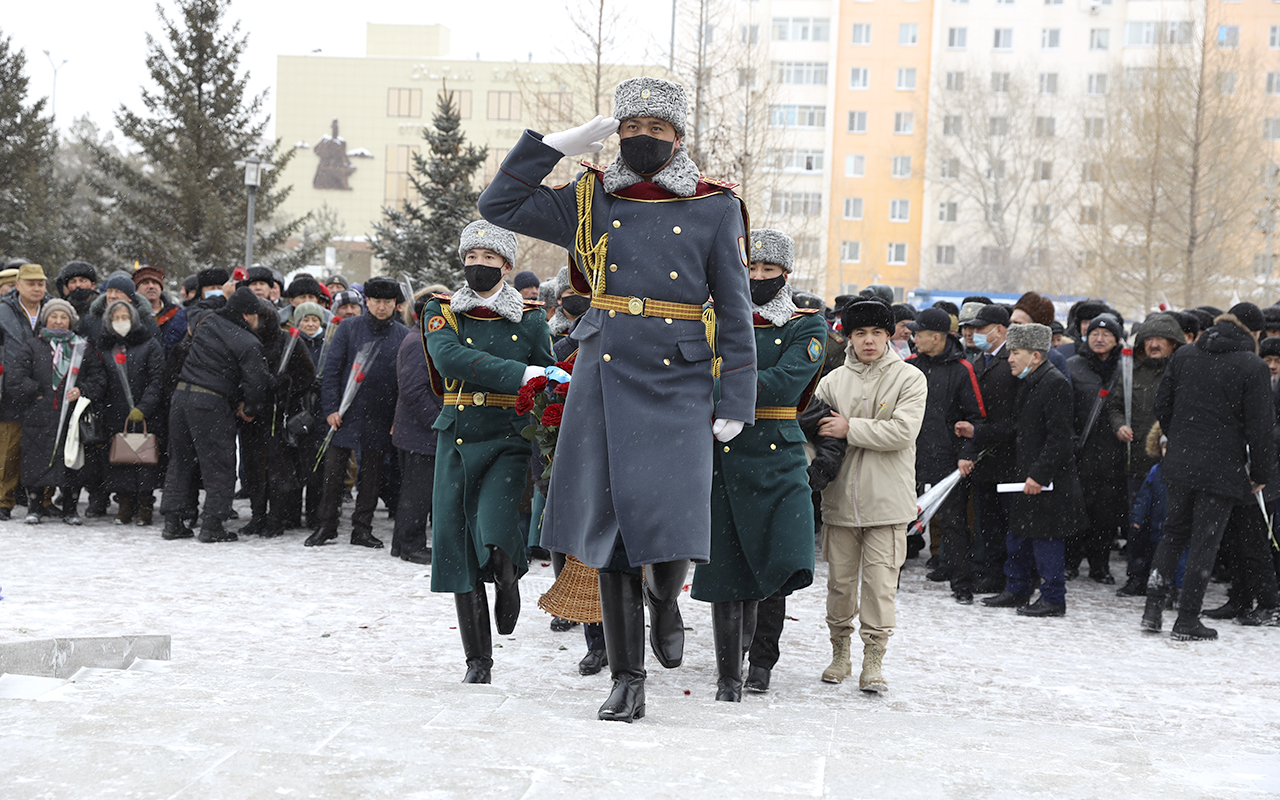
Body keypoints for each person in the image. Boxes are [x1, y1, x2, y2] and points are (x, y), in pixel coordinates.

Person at [478, 76, 757, 722]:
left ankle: (665, 597)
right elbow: (500, 206)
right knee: (608, 536)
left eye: (655, 131)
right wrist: (546, 146)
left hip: (679, 379)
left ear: (679, 137)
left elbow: (736, 312)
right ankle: (627, 681)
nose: (641, 141)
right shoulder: (590, 196)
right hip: (605, 373)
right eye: (630, 130)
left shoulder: (715, 207)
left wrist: (735, 396)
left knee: (670, 528)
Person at [690, 228, 823, 701]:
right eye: (752, 269)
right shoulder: (717, 318)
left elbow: (788, 382)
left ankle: (762, 658)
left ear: (786, 274)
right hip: (721, 455)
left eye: (769, 270)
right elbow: (691, 370)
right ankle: (730, 669)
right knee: (726, 565)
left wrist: (721, 389)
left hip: (775, 452)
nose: (759, 277)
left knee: (777, 557)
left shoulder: (805, 324)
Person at [422, 222, 554, 681]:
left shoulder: (532, 317)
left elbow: (549, 376)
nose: (478, 266)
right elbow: (449, 359)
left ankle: (508, 576)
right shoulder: (441, 312)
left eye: (488, 258)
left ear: (506, 265)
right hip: (457, 435)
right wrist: (519, 374)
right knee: (458, 547)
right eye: (471, 257)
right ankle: (478, 660)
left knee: (496, 533)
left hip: (508, 437)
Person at [1143, 307, 1277, 640]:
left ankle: (1152, 609)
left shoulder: (1186, 354)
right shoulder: (1252, 365)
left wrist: (1181, 440)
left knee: (1173, 534)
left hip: (1180, 462)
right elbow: (1261, 428)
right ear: (1254, 333)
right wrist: (1262, 471)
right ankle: (1187, 619)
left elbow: (1162, 405)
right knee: (1205, 542)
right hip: (1222, 467)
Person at [814, 297, 926, 693]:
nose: (869, 341)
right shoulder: (830, 382)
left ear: (889, 335)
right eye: (860, 333)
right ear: (849, 336)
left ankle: (873, 659)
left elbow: (902, 432)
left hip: (888, 503)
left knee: (880, 586)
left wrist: (850, 429)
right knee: (841, 585)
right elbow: (816, 434)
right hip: (840, 500)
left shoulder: (909, 378)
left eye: (877, 333)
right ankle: (839, 653)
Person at [981, 323, 1083, 617]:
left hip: (1045, 481)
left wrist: (1039, 475)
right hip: (1026, 476)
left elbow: (1059, 438)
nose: (1010, 358)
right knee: (1019, 534)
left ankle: (1053, 598)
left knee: (1046, 539)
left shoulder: (1054, 383)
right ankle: (1017, 588)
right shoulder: (1030, 381)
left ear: (1035, 356)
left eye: (1016, 352)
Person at [160, 287, 271, 542]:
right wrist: (251, 409)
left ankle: (173, 522)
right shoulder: (248, 342)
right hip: (211, 402)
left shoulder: (207, 321)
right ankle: (212, 525)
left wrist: (223, 295)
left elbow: (195, 308)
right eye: (256, 316)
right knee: (219, 464)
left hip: (181, 397)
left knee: (179, 461)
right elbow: (256, 385)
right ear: (247, 315)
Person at [306, 276, 410, 548]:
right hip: (345, 412)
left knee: (372, 477)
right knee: (333, 473)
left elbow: (404, 382)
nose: (381, 307)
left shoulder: (402, 334)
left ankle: (362, 528)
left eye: (387, 302)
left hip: (381, 414)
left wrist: (396, 419)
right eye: (376, 301)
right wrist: (330, 409)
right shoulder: (349, 328)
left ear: (395, 304)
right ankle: (326, 525)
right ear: (367, 301)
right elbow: (331, 371)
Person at [904, 307, 985, 604]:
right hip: (908, 458)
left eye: (919, 333)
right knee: (898, 521)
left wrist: (966, 454)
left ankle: (961, 584)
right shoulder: (908, 365)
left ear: (936, 337)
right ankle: (889, 581)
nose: (914, 338)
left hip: (947, 460)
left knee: (954, 525)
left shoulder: (963, 369)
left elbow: (975, 417)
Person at [11, 299, 107, 524]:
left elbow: (99, 378)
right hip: (40, 414)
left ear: (71, 321)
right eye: (54, 316)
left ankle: (70, 509)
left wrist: (82, 389)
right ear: (46, 319)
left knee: (71, 461)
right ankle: (35, 507)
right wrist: (37, 392)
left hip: (72, 416)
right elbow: (16, 378)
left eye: (64, 317)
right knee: (36, 460)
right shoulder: (33, 346)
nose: (59, 321)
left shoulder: (82, 348)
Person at [1109, 312, 1183, 595]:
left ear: (1173, 343)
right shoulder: (1131, 372)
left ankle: (1163, 579)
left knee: (1167, 525)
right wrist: (1119, 426)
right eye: (1149, 339)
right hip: (1136, 462)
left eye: (1160, 339)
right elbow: (1114, 406)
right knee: (1137, 523)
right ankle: (1137, 576)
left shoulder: (1181, 371)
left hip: (1170, 463)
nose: (1154, 344)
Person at [239, 295, 316, 539]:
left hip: (279, 416)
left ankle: (276, 518)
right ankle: (257, 515)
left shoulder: (288, 340)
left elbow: (307, 376)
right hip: (253, 416)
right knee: (253, 469)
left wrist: (285, 387)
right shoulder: (246, 341)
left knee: (278, 472)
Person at [956, 303, 1018, 593]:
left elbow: (1014, 420)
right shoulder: (980, 360)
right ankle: (991, 573)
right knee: (988, 521)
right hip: (984, 458)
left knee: (1007, 523)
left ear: (1000, 330)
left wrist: (979, 431)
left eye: (981, 329)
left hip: (1008, 457)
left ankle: (1008, 576)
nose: (975, 334)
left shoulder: (1012, 361)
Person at [1066, 313, 1127, 584]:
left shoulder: (1126, 368)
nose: (1099, 339)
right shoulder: (1072, 366)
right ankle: (1070, 562)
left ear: (1117, 340)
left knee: (1106, 515)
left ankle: (1099, 565)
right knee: (1076, 510)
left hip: (1113, 454)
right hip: (1081, 452)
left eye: (1106, 335)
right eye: (1094, 334)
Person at [390, 289, 443, 565]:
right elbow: (413, 390)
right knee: (417, 494)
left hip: (419, 432)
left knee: (415, 492)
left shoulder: (424, 338)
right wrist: (438, 421)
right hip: (420, 433)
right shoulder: (416, 343)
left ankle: (402, 543)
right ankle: (410, 545)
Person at [0, 263, 51, 519]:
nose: (36, 288)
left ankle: (44, 499)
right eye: (30, 283)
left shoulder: (54, 310)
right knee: (9, 450)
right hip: (11, 389)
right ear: (18, 285)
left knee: (46, 446)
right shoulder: (3, 311)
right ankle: (3, 501)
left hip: (45, 390)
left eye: (40, 283)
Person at [133, 266, 187, 355]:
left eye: (155, 283)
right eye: (145, 283)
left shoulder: (177, 313)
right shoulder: (130, 314)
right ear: (136, 289)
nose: (151, 286)